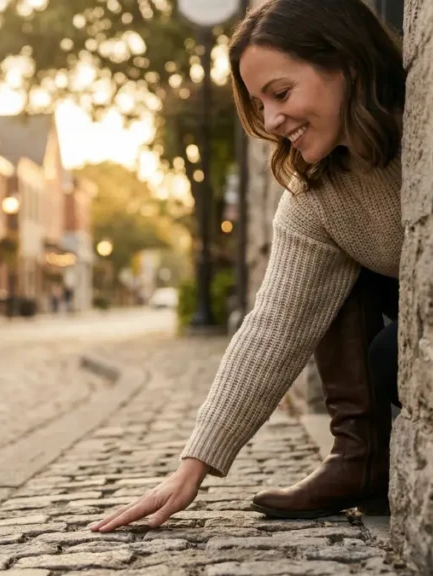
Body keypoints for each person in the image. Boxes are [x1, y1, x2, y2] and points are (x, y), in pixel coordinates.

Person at [92, 0, 405, 532]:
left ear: (347, 63)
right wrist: (194, 465)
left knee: (386, 351)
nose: (272, 120)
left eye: (280, 93)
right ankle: (359, 461)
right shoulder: (313, 195)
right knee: (337, 301)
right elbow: (274, 326)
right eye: (260, 103)